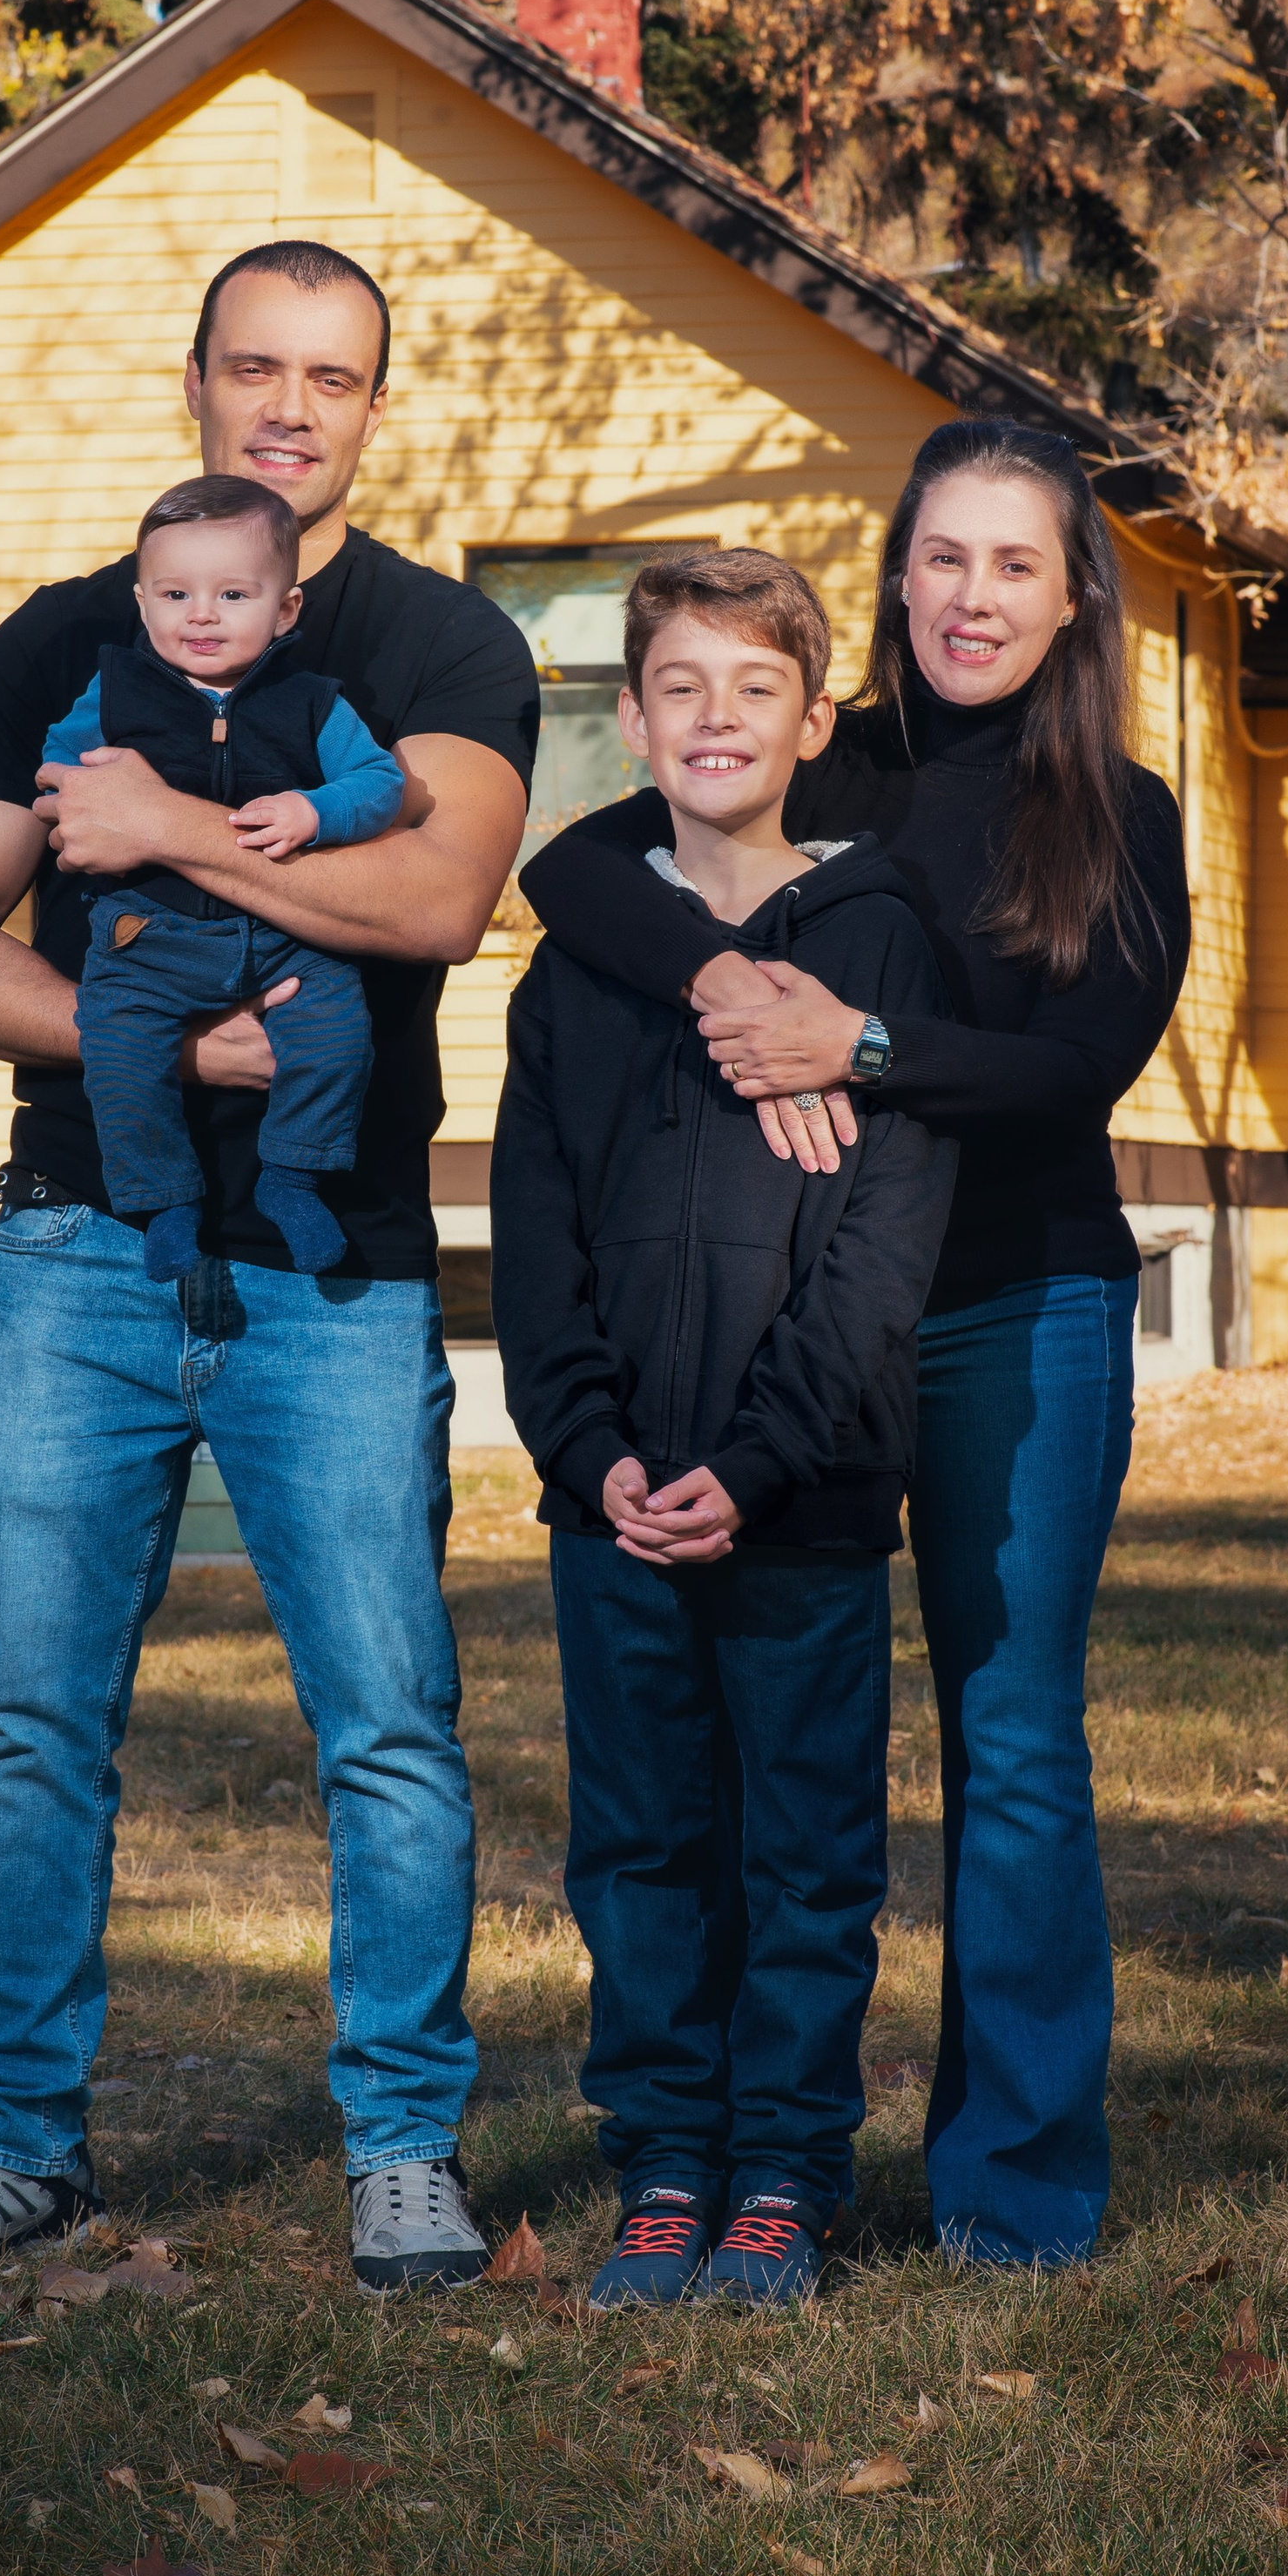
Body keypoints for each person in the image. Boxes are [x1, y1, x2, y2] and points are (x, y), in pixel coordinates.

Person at [0, 240, 539, 2293]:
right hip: (77, 1243)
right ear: (196, 385)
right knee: (37, 1721)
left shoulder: (438, 639)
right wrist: (162, 1034)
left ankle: (403, 2146)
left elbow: (432, 895)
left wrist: (161, 830)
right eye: (255, 367)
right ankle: (9, 2145)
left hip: (332, 1267)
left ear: (371, 410)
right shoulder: (68, 636)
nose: (289, 406)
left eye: (331, 377)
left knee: (388, 1721)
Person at [519, 423, 1190, 2268]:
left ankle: (1010, 2190)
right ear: (897, 577)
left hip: (1012, 1309)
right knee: (751, 1752)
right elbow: (580, 874)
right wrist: (727, 981)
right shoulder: (834, 757)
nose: (971, 597)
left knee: (1011, 1737)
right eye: (942, 559)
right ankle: (734, 2149)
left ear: (1069, 604)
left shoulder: (1114, 813)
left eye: (1013, 566)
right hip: (793, 1312)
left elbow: (1071, 1070)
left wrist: (861, 1050)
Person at [492, 549, 956, 2309]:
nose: (711, 718)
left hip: (808, 1500)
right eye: (676, 685)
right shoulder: (573, 973)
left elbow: (877, 1253)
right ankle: (665, 2168)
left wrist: (755, 1462)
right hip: (609, 1506)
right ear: (626, 717)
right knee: (636, 1849)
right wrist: (587, 1450)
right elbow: (534, 1243)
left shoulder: (872, 947)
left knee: (806, 1849)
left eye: (752, 688)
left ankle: (781, 2176)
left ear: (812, 720)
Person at [37, 471, 405, 1279]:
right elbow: (58, 773)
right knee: (121, 1054)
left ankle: (293, 1176)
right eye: (175, 594)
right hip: (147, 936)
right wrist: (79, 800)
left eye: (234, 594)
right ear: (142, 604)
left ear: (286, 609)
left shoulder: (312, 704)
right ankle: (163, 1200)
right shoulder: (113, 692)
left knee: (339, 1033)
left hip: (284, 935)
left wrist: (316, 812)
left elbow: (381, 785)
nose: (200, 613)